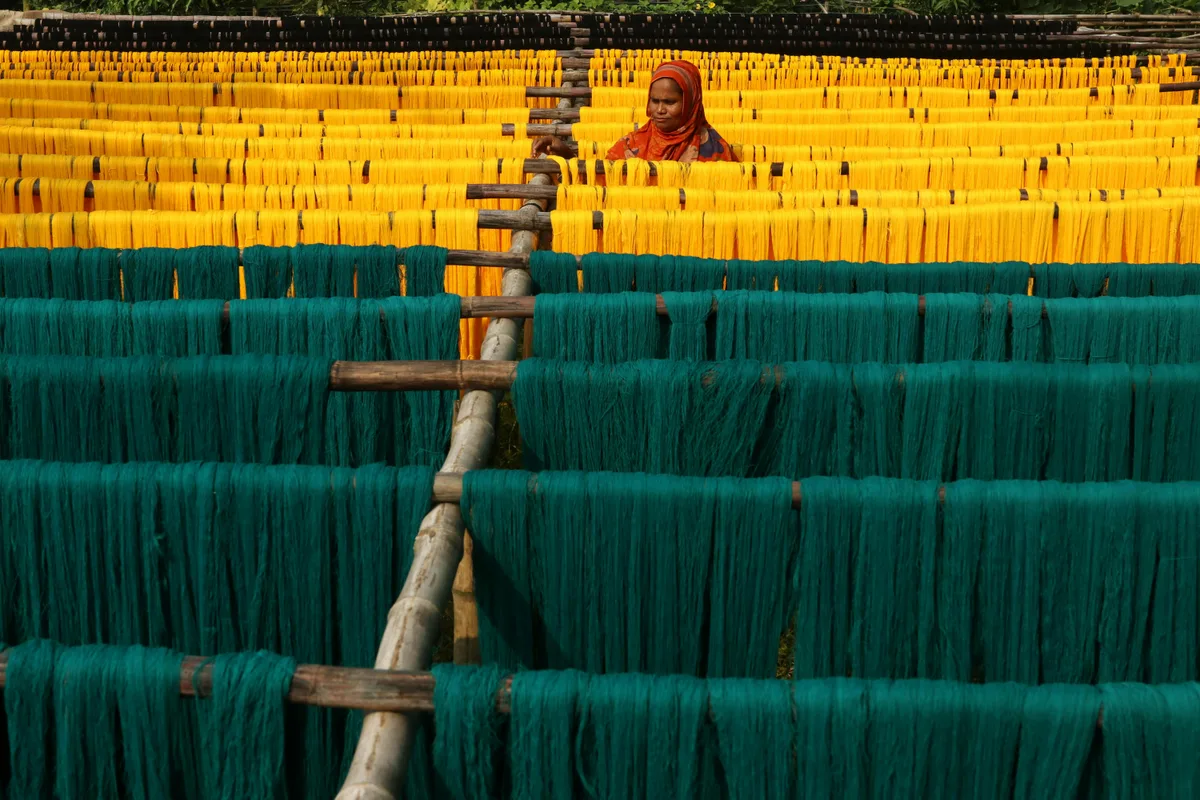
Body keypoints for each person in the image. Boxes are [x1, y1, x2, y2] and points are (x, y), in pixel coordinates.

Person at [532, 59, 737, 163]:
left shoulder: (714, 150)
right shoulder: (634, 144)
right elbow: (599, 180)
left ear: (691, 103)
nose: (659, 110)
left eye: (669, 102)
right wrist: (563, 151)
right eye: (654, 101)